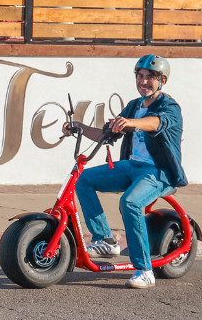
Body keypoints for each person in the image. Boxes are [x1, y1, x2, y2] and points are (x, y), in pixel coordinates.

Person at [63, 54, 186, 289]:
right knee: (85, 179)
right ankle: (105, 240)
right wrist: (78, 127)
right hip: (131, 166)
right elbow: (105, 134)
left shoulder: (169, 107)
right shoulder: (134, 105)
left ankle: (144, 270)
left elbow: (157, 123)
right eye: (140, 76)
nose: (144, 81)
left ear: (162, 81)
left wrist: (132, 123)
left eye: (150, 77)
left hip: (159, 172)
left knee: (129, 202)